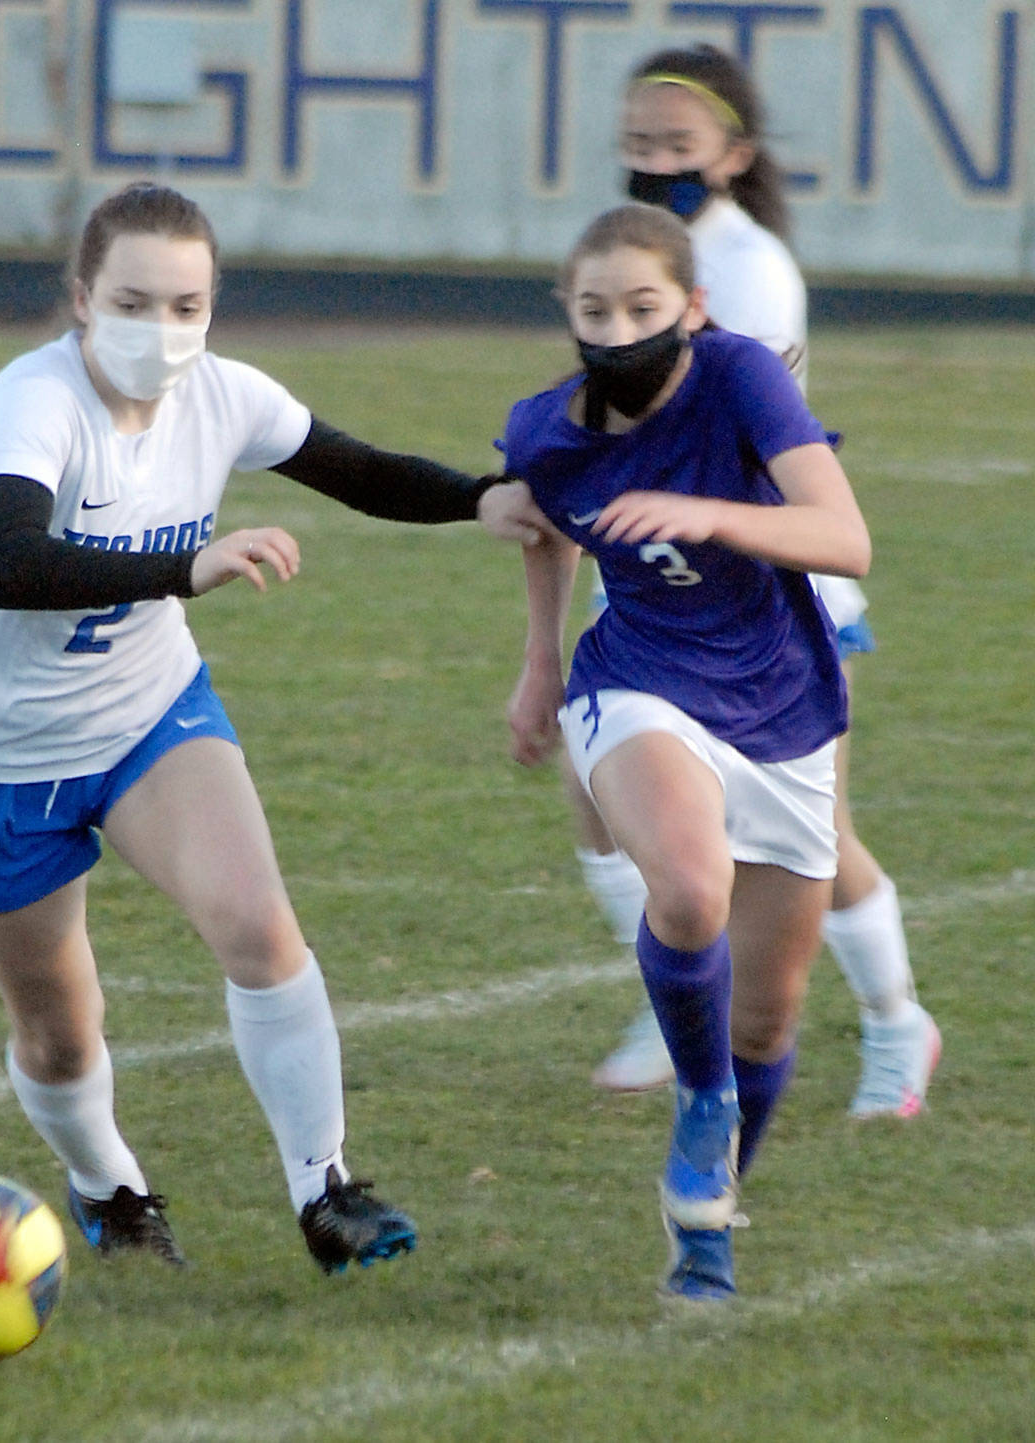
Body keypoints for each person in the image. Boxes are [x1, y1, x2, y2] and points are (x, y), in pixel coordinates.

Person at [0, 180, 547, 1274]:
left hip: (149, 712)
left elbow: (355, 468)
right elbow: (4, 565)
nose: (162, 330)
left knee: (259, 928)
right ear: (79, 298)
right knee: (61, 1033)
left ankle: (326, 1192)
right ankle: (112, 1193)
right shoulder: (36, 398)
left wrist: (478, 497)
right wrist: (187, 566)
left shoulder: (223, 394)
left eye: (187, 305)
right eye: (134, 300)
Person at [503, 203, 870, 1297]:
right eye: (593, 310)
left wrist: (709, 514)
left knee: (768, 1015)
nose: (617, 331)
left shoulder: (741, 378)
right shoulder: (545, 427)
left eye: (642, 307)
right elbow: (547, 525)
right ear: (565, 316)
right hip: (639, 679)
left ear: (692, 309)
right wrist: (536, 663)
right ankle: (699, 1100)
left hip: (781, 702)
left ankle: (703, 1214)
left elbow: (842, 538)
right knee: (687, 886)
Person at [582, 45, 939, 1117]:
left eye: (675, 147)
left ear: (732, 155)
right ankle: (676, 986)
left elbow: (732, 437)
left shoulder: (745, 270)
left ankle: (893, 1022)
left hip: (762, 597)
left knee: (813, 840)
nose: (652, 163)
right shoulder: (640, 255)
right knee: (600, 807)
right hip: (659, 575)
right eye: (636, 146)